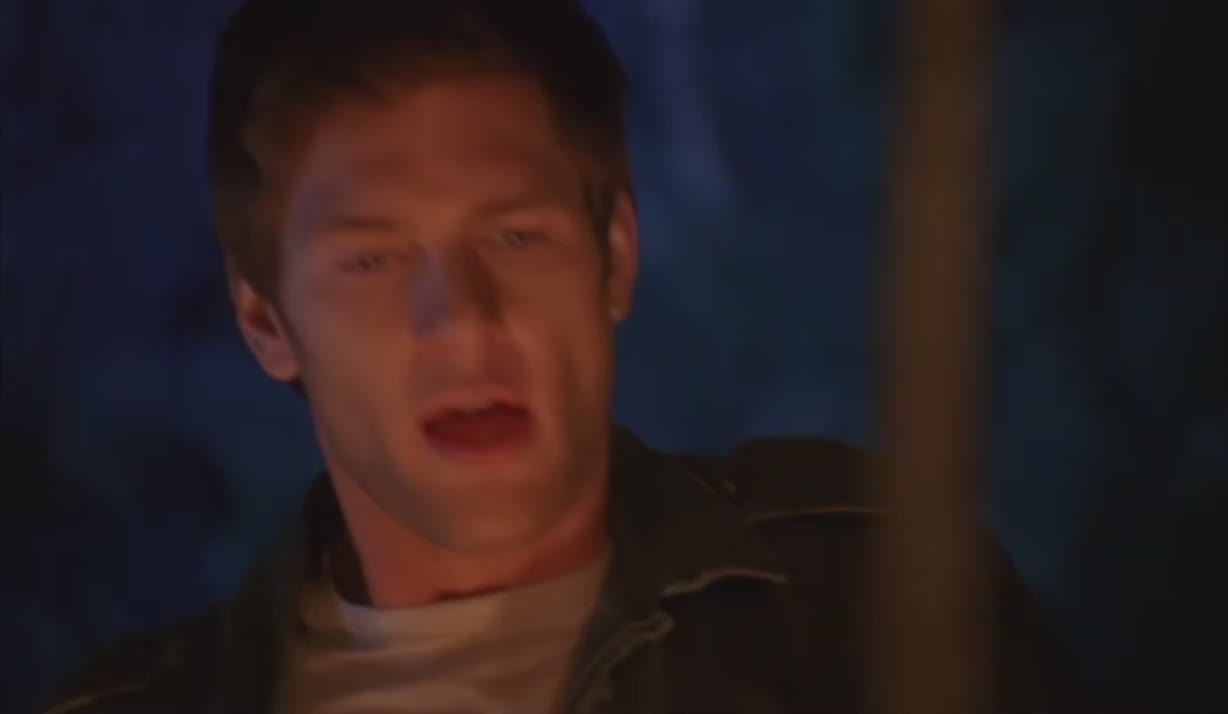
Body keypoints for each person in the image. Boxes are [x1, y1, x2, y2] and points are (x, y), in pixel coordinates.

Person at [39, 1, 1081, 712]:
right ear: (265, 320)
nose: (462, 323)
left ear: (613, 258)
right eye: (372, 259)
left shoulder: (867, 591)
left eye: (514, 237)